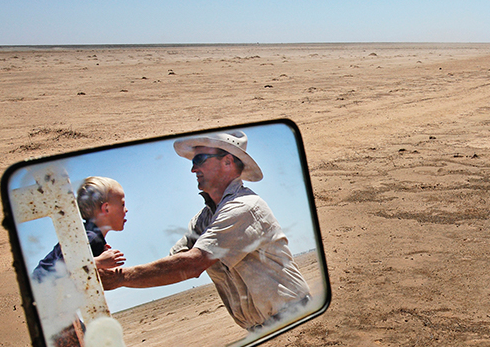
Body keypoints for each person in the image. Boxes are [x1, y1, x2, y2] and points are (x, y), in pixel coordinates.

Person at [103, 131, 311, 332]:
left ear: (228, 162)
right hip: (261, 330)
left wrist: (120, 277)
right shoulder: (204, 220)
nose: (193, 169)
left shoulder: (244, 207)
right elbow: (175, 261)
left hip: (296, 320)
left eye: (200, 159)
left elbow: (193, 263)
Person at [32, 176, 126, 283]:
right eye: (122, 204)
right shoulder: (89, 237)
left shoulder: (91, 236)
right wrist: (98, 262)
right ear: (106, 209)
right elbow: (59, 268)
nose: (126, 210)